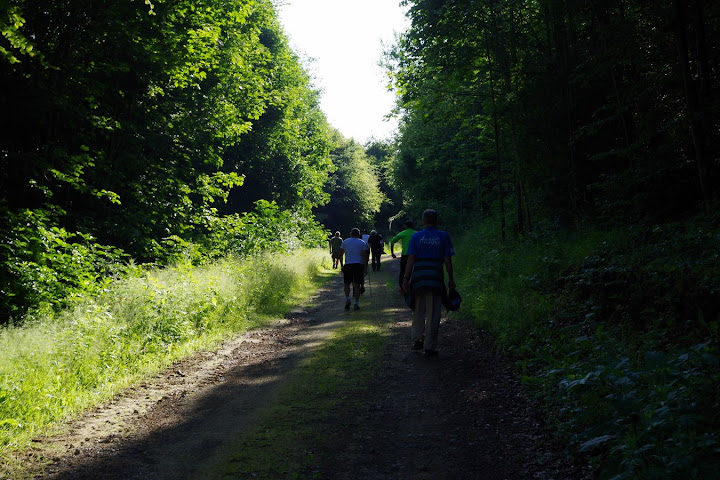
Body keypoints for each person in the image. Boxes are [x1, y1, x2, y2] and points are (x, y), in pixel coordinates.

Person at [402, 210, 455, 357]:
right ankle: (430, 346)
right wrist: (451, 280)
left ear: (423, 221)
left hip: (419, 278)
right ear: (436, 221)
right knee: (433, 312)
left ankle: (417, 338)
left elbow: (411, 259)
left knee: (419, 309)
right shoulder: (443, 236)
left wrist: (406, 279)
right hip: (435, 278)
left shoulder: (416, 236)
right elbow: (447, 260)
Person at [340, 227, 369, 311]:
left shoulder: (345, 242)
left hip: (348, 264)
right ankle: (356, 303)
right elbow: (365, 256)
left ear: (350, 234)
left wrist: (342, 265)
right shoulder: (362, 243)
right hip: (358, 265)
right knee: (357, 285)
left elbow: (341, 254)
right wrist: (365, 267)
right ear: (359, 235)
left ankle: (347, 298)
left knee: (347, 283)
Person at [390, 220, 416, 292]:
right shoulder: (416, 233)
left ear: (405, 226)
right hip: (414, 255)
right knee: (414, 270)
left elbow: (392, 241)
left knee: (403, 271)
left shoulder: (402, 233)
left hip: (405, 254)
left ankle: (402, 287)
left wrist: (392, 253)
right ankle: (412, 285)